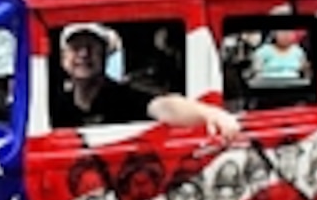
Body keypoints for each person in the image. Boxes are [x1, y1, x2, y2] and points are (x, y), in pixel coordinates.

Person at [54, 22, 240, 138]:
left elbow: (165, 106)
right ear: (63, 59)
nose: (84, 54)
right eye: (76, 47)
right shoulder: (55, 104)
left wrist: (212, 115)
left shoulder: (124, 97)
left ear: (105, 55)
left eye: (91, 47)